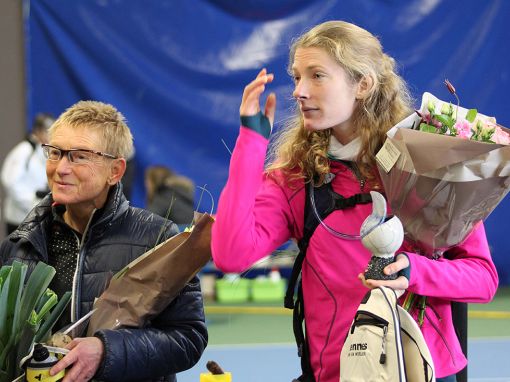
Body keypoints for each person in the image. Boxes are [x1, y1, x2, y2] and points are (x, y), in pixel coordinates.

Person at [211, 21, 498, 382]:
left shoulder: (427, 162)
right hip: (338, 374)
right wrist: (251, 142)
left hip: (424, 371)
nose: (299, 90)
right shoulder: (296, 178)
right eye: (297, 77)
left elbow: (482, 278)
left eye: (317, 76)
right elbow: (230, 255)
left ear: (362, 85)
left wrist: (413, 272)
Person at [0, 101, 207, 382]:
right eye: (55, 153)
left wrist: (106, 351)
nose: (61, 168)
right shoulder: (19, 244)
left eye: (79, 156)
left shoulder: (157, 238)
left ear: (116, 171)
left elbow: (188, 338)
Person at [1, 113, 53, 235]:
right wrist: (31, 204)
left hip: (35, 217)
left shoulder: (43, 151)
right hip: (19, 218)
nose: (50, 136)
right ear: (38, 131)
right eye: (48, 131)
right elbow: (11, 182)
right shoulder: (23, 151)